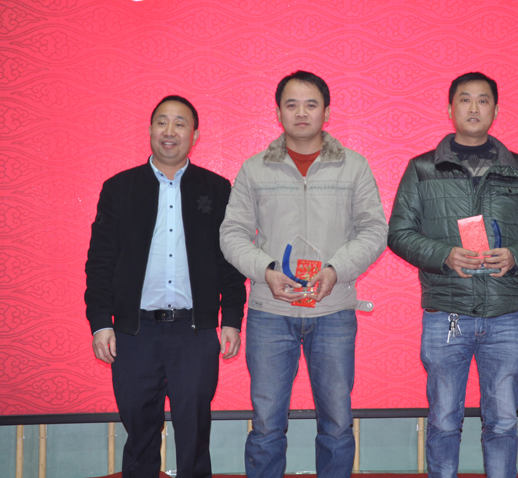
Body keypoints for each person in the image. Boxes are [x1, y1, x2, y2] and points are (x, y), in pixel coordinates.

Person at [387, 72, 518, 478]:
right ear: (450, 109)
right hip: (446, 313)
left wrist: (516, 255)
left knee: (503, 422)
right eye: (465, 99)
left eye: (483, 100)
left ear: (495, 110)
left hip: (506, 313)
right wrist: (445, 255)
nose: (474, 108)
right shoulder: (422, 168)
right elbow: (398, 233)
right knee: (444, 420)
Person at [219, 71, 387, 478]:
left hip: (333, 311)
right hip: (270, 312)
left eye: (311, 104)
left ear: (326, 113)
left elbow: (374, 230)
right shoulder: (255, 169)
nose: (301, 112)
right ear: (278, 112)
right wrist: (267, 271)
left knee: (337, 422)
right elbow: (232, 234)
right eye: (291, 104)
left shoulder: (354, 167)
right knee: (266, 424)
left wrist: (335, 270)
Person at [84, 95, 246, 478]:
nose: (169, 131)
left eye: (180, 123)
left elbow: (230, 260)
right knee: (139, 431)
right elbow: (100, 261)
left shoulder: (216, 189)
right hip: (134, 332)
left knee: (194, 431)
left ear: (195, 135)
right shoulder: (119, 188)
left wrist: (231, 319)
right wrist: (100, 322)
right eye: (162, 122)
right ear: (150, 129)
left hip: (194, 330)